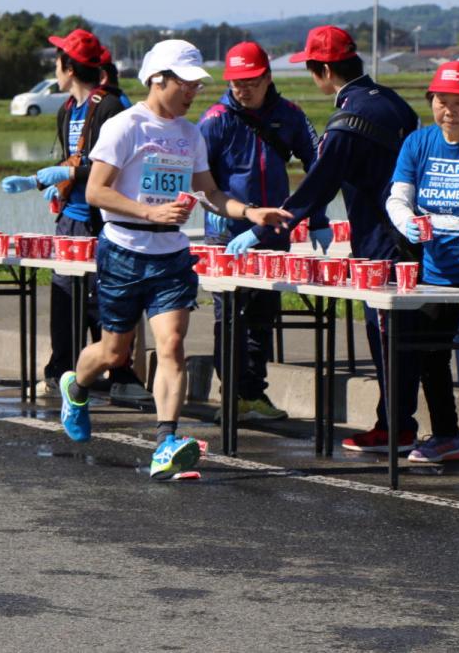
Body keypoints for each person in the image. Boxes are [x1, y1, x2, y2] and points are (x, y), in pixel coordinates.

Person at [59, 39, 290, 479]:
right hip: (124, 248)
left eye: (196, 86)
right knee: (114, 352)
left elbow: (211, 193)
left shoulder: (190, 134)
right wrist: (150, 211)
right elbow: (96, 192)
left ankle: (166, 441)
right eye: (184, 83)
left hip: (171, 254)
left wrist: (250, 211)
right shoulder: (126, 126)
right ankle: (77, 383)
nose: (192, 92)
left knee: (172, 344)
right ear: (158, 79)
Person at [227, 25, 420, 453]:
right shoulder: (393, 103)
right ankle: (412, 425)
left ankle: (395, 427)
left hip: (382, 242)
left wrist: (264, 228)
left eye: (312, 69)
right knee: (412, 339)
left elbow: (319, 182)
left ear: (326, 70)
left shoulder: (348, 119)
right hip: (412, 237)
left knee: (385, 334)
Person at [0, 29, 150, 405]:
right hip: (71, 217)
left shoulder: (111, 106)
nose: (55, 66)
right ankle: (61, 372)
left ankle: (121, 374)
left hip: (104, 220)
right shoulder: (69, 109)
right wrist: (60, 183)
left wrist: (61, 174)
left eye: (57, 61)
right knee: (65, 297)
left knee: (105, 298)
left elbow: (110, 168)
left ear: (68, 67)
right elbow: (74, 160)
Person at [198, 41, 331, 422]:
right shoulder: (215, 120)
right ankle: (231, 395)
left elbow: (319, 164)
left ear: (267, 77)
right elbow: (197, 179)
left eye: (251, 81)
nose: (243, 89)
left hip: (273, 233)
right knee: (229, 318)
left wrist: (317, 216)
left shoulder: (290, 115)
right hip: (227, 236)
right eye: (236, 82)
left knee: (261, 317)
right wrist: (214, 210)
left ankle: (253, 394)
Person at [385, 60, 459, 463]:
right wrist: (406, 223)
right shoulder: (418, 143)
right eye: (441, 100)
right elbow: (397, 197)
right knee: (430, 354)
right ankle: (448, 436)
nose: (449, 110)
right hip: (438, 272)